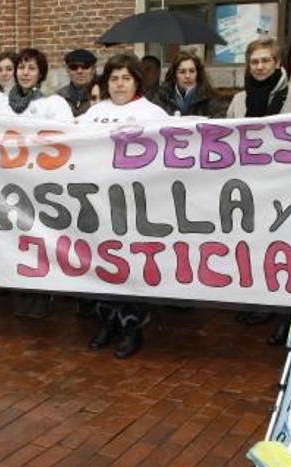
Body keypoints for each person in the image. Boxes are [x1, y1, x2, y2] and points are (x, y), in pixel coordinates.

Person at [79, 54, 169, 358]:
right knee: (104, 262)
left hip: (136, 205)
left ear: (136, 82)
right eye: (114, 78)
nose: (120, 84)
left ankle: (132, 326)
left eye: (126, 78)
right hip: (100, 204)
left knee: (131, 264)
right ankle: (106, 321)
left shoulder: (153, 113)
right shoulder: (93, 114)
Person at [0, 48, 73, 318]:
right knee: (16, 238)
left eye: (31, 68)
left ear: (41, 73)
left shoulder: (53, 103)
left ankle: (41, 296)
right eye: (21, 67)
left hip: (41, 183)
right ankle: (20, 292)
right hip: (9, 183)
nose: (25, 72)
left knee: (40, 238)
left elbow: (68, 136)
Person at [226, 38, 288, 118]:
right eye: (254, 62)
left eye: (265, 61)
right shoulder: (238, 100)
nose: (259, 67)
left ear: (277, 63)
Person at [153, 52, 225, 118]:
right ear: (174, 75)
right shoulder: (161, 98)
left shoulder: (211, 99)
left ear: (198, 74)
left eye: (192, 71)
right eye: (182, 72)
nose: (187, 76)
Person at [56, 49, 97, 117]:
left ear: (94, 69)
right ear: (67, 70)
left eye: (85, 66)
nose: (79, 71)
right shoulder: (59, 96)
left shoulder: (103, 94)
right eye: (73, 67)